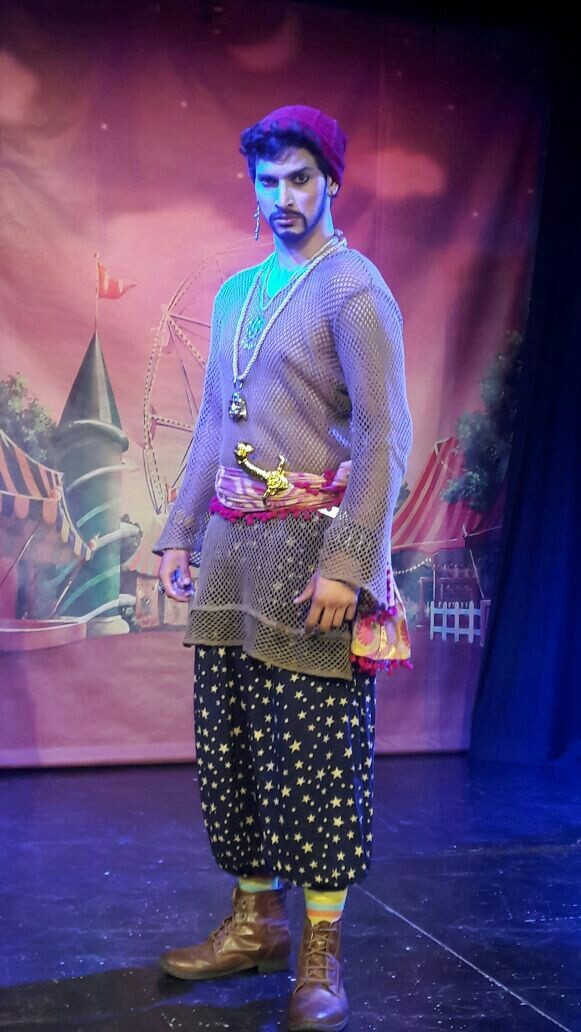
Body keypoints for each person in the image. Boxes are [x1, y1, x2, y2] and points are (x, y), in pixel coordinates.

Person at [154, 104, 412, 1032]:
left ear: (330, 180)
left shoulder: (353, 290)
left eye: (299, 178)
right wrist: (178, 533)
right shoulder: (236, 293)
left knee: (315, 760)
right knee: (235, 747)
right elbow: (209, 428)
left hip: (314, 563)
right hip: (232, 555)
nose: (282, 197)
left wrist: (349, 560)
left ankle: (320, 952)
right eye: (268, 181)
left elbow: (384, 436)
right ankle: (255, 923)